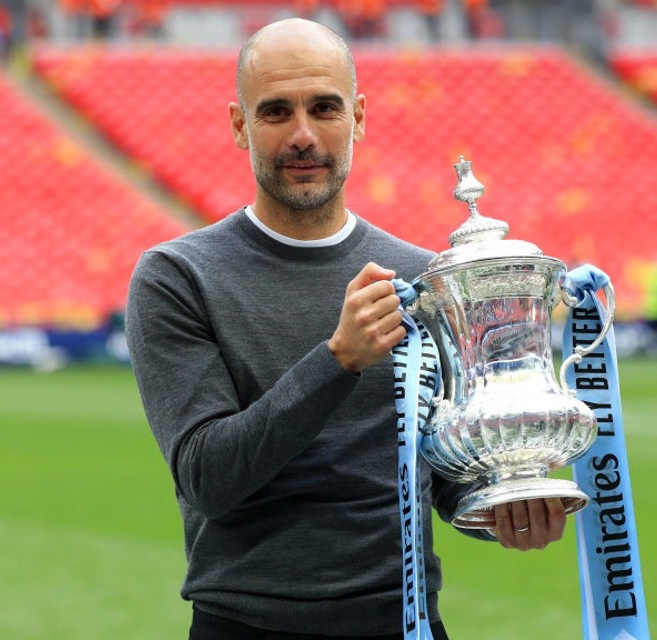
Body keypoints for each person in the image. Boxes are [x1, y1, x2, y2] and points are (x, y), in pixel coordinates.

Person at [125, 18, 566, 640]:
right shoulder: (177, 277)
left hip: (408, 620)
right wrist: (336, 361)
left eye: (324, 108)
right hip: (249, 625)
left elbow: (437, 470)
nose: (303, 135)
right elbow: (208, 478)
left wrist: (504, 498)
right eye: (276, 112)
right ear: (238, 124)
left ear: (357, 117)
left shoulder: (424, 278)